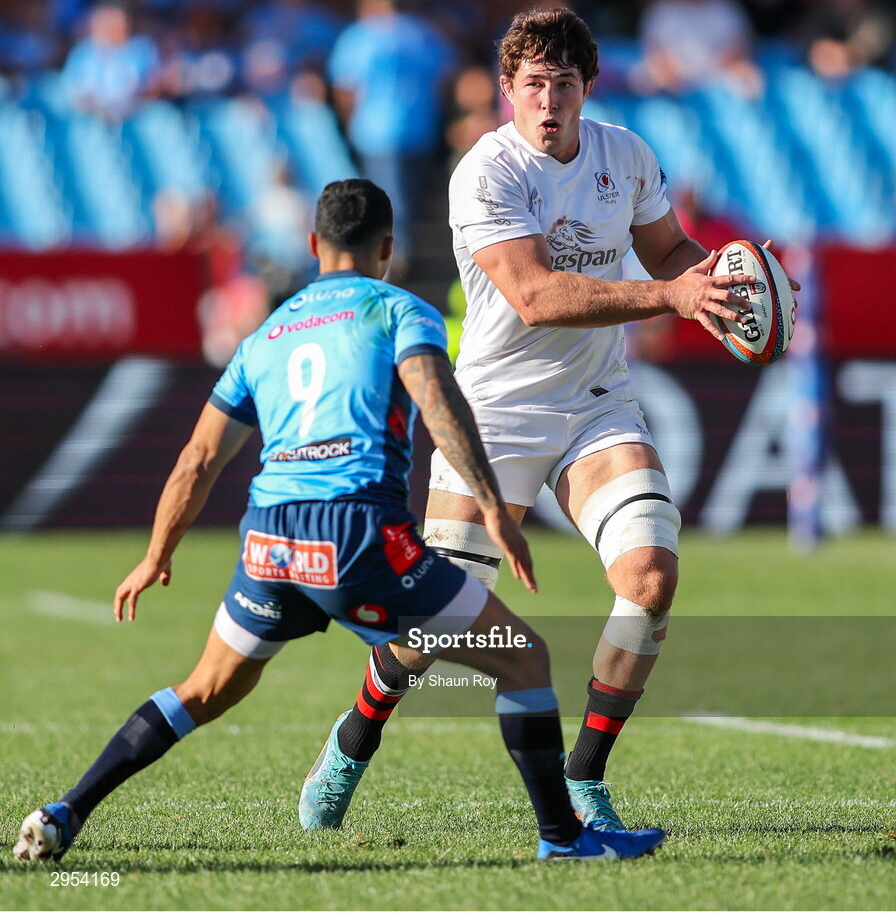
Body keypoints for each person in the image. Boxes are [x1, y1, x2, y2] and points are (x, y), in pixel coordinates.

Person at [13, 178, 665, 864]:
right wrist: (494, 510)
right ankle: (564, 839)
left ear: (312, 245)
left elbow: (197, 458)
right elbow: (438, 401)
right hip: (357, 534)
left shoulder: (265, 335)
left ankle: (66, 810)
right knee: (524, 659)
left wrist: (156, 554)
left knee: (203, 688)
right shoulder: (397, 311)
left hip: (268, 537)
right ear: (388, 249)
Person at [301, 7, 795, 834]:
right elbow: (535, 298)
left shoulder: (626, 155)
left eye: (564, 83)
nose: (549, 99)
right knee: (435, 626)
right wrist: (667, 296)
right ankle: (354, 738)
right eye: (533, 83)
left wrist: (720, 285)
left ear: (586, 89)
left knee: (651, 578)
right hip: (491, 414)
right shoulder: (483, 173)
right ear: (507, 91)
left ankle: (585, 780)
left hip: (596, 404)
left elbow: (669, 252)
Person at [328, 0, 456, 279]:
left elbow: (346, 87)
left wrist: (347, 124)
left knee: (386, 197)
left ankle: (394, 260)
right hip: (419, 127)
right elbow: (445, 78)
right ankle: (405, 253)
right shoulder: (423, 33)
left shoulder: (361, 35)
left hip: (375, 130)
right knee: (408, 195)